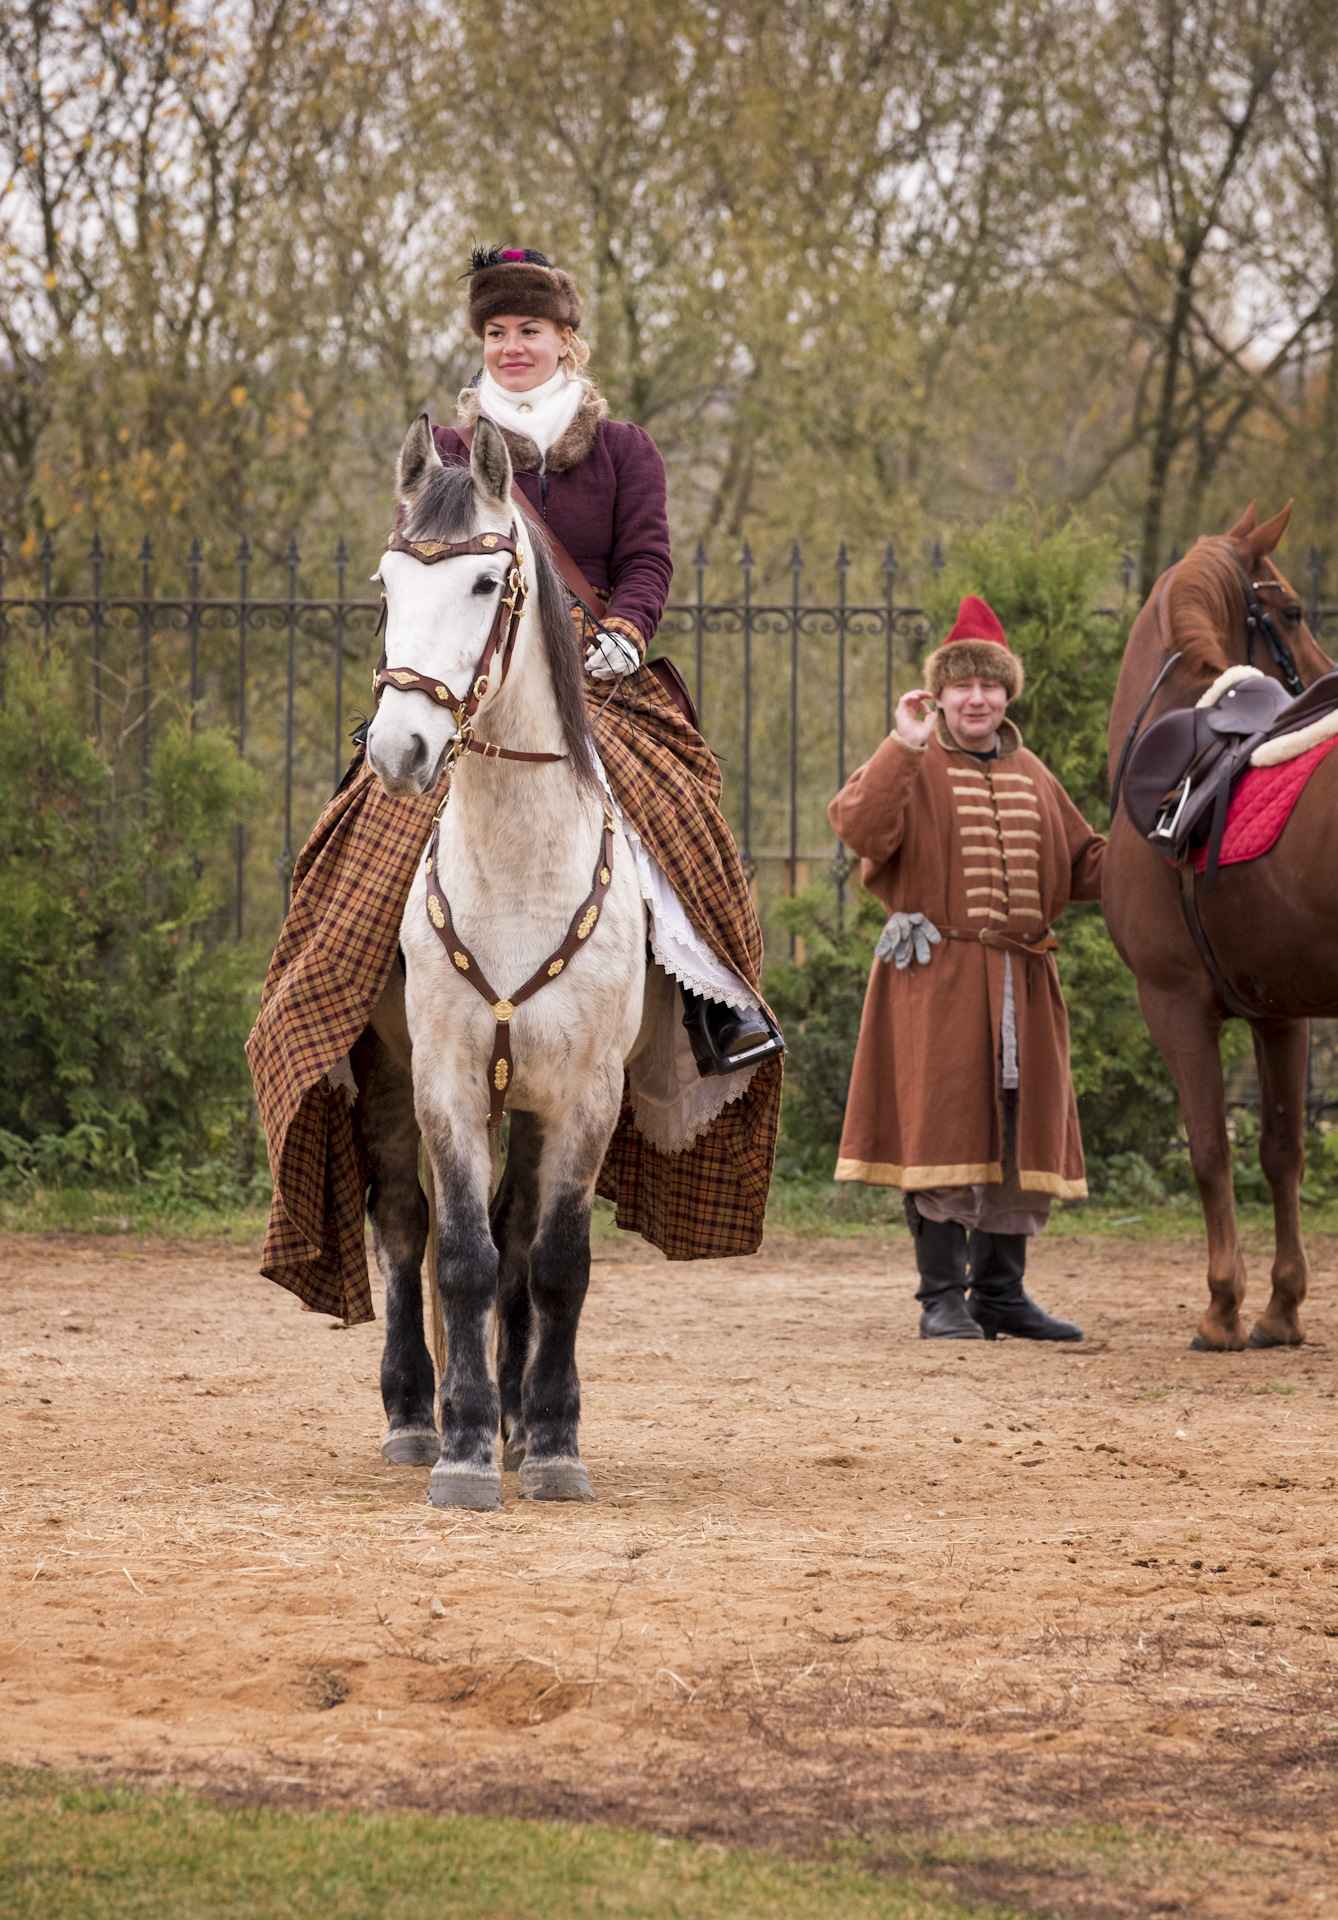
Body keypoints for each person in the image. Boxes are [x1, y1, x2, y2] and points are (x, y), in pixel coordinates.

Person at [247, 246, 784, 1326]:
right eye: (496, 332)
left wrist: (627, 636)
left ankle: (709, 1009)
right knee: (361, 830)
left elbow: (648, 559)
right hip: (462, 684)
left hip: (592, 683)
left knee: (679, 817)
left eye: (529, 331)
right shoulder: (448, 450)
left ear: (566, 341)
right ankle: (335, 1005)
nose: (512, 346)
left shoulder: (622, 448)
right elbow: (424, 571)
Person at [828, 595, 1105, 1341]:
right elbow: (857, 826)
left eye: (990, 684)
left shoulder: (1033, 772)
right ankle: (942, 1298)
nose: (977, 698)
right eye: (962, 685)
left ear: (1007, 691)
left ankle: (1002, 1296)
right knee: (940, 1127)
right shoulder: (913, 762)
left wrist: (1155, 831)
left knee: (1015, 1132)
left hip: (1023, 980)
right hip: (936, 980)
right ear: (939, 694)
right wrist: (901, 743)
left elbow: (1087, 866)